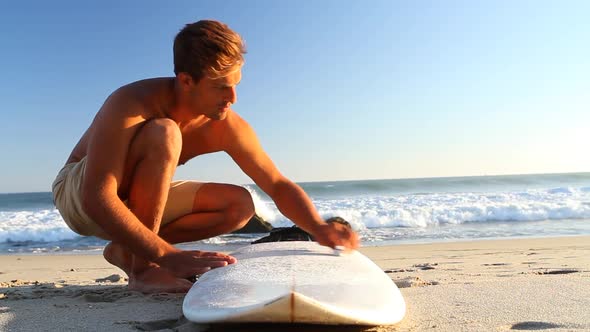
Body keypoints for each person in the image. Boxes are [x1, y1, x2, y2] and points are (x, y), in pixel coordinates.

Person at [52, 20, 359, 293]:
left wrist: (318, 227)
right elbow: (97, 196)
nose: (233, 98)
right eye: (221, 87)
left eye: (236, 85)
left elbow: (276, 184)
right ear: (186, 81)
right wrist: (166, 256)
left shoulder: (226, 125)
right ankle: (143, 268)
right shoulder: (131, 102)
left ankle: (128, 251)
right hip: (78, 191)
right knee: (166, 132)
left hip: (127, 198)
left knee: (239, 205)